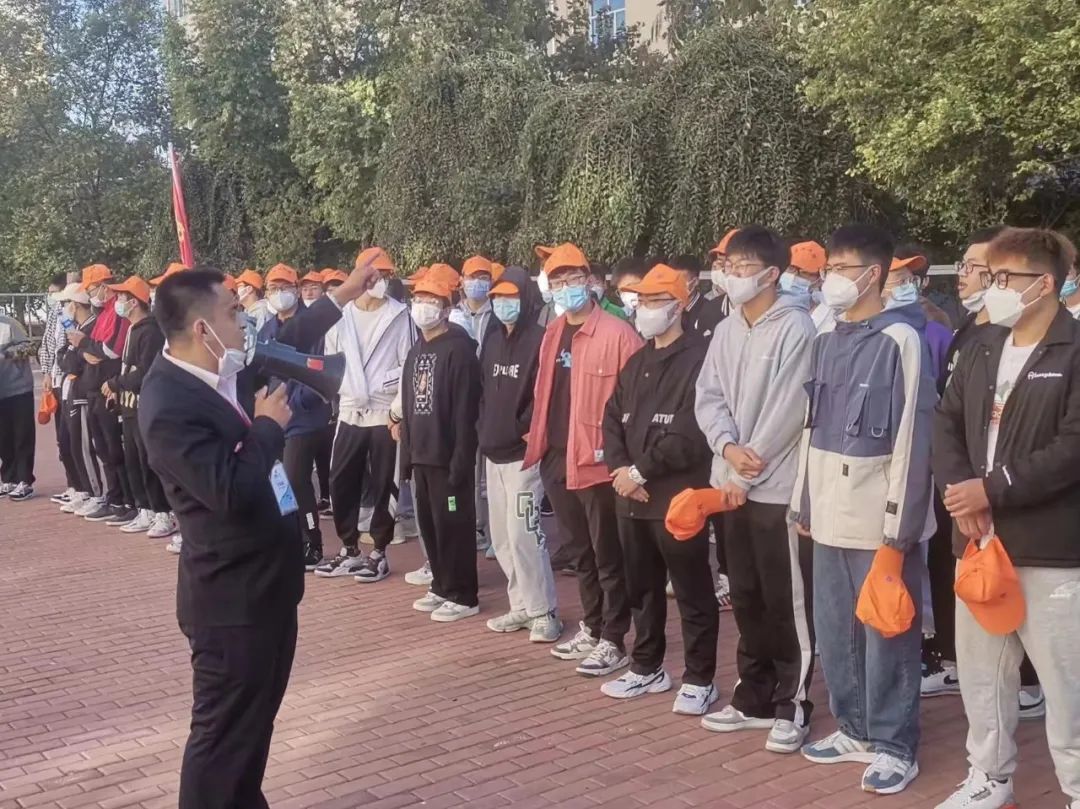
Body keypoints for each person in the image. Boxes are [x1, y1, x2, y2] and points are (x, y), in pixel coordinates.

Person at [140, 261, 376, 809]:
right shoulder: (168, 405)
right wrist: (268, 426)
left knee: (250, 734)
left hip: (269, 591)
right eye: (234, 312)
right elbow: (229, 491)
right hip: (231, 605)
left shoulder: (221, 366)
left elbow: (289, 338)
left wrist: (341, 295)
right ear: (202, 328)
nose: (245, 320)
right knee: (220, 742)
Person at [931, 227, 1080, 809]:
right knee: (983, 674)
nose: (990, 287)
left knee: (1066, 682)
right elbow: (945, 423)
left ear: (1043, 284)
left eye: (1002, 278)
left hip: (1050, 547)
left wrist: (990, 491)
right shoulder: (983, 345)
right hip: (979, 542)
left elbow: (1072, 448)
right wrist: (961, 494)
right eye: (988, 276)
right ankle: (989, 777)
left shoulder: (1074, 351)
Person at [795, 224, 934, 796]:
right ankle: (853, 728)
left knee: (888, 632)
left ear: (872, 274)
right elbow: (811, 429)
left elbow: (913, 441)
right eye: (827, 268)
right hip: (829, 513)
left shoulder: (902, 341)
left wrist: (898, 533)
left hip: (879, 520)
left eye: (840, 268)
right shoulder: (826, 337)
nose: (829, 278)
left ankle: (895, 745)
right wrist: (803, 500)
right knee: (836, 630)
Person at [695, 226, 817, 751]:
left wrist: (746, 472)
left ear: (771, 274)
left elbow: (790, 410)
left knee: (784, 598)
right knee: (744, 594)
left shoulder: (797, 327)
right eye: (729, 266)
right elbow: (708, 396)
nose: (732, 275)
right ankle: (754, 697)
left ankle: (794, 703)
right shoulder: (726, 329)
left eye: (743, 267)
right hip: (729, 484)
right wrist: (725, 448)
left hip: (774, 489)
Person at [600, 263, 719, 714]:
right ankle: (646, 666)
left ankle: (700, 677)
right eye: (642, 300)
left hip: (677, 498)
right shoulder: (637, 362)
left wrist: (640, 473)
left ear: (679, 305)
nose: (645, 309)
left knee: (692, 591)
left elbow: (690, 433)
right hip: (631, 499)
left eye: (656, 301)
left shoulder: (700, 359)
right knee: (642, 589)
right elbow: (612, 419)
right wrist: (621, 471)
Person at [523, 243, 643, 676]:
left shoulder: (618, 335)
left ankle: (614, 638)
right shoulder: (553, 332)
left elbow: (635, 404)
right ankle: (592, 627)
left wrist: (626, 463)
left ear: (590, 281)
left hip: (599, 462)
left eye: (573, 279)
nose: (565, 288)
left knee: (608, 554)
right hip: (558, 455)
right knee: (580, 552)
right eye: (557, 281)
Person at [920, 226, 1006, 701]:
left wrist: (981, 487)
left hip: (990, 489)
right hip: (954, 485)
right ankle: (954, 659)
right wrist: (953, 479)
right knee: (950, 572)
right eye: (963, 264)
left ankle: (1025, 681)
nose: (963, 274)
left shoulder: (1012, 337)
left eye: (974, 267)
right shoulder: (966, 329)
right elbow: (946, 412)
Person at [317, 247, 413, 580]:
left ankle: (379, 551)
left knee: (386, 482)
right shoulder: (340, 316)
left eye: (385, 275)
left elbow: (407, 364)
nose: (380, 280)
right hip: (349, 410)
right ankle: (349, 548)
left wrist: (398, 411)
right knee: (340, 479)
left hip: (385, 413)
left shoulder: (400, 316)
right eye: (374, 274)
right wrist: (345, 390)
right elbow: (330, 363)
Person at [479, 268, 562, 643]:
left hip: (524, 456)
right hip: (492, 451)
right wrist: (483, 428)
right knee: (501, 537)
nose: (503, 304)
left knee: (524, 533)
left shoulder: (540, 341)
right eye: (497, 297)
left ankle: (544, 611)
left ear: (526, 299)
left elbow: (545, 393)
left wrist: (527, 428)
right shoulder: (492, 339)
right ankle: (521, 606)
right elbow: (483, 390)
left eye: (510, 297)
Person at [399, 270, 483, 622]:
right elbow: (408, 405)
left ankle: (463, 593)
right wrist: (407, 455)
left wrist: (461, 459)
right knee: (431, 525)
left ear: (446, 309)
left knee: (454, 525)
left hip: (449, 457)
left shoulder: (459, 350)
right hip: (421, 455)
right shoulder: (417, 349)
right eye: (419, 299)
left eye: (432, 301)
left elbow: (466, 411)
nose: (423, 307)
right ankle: (441, 584)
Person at [260, 263, 332, 573]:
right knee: (278, 480)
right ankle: (291, 537)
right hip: (274, 419)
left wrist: (295, 400)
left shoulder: (311, 325)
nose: (280, 294)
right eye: (274, 289)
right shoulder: (267, 328)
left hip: (305, 418)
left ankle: (312, 542)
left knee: (296, 479)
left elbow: (319, 369)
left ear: (296, 289)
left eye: (285, 287)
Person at [102, 276, 175, 538]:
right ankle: (146, 509)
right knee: (133, 460)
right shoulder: (133, 329)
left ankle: (163, 512)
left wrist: (116, 383)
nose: (118, 301)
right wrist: (118, 390)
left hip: (145, 405)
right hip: (129, 406)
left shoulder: (151, 331)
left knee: (148, 461)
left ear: (134, 302)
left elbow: (145, 371)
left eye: (122, 297)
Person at [67, 264, 132, 523]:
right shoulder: (103, 312)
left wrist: (84, 344)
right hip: (94, 388)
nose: (91, 295)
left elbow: (109, 351)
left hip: (109, 388)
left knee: (115, 449)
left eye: (92, 289)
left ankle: (128, 501)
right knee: (104, 450)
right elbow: (90, 352)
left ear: (105, 286)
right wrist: (86, 348)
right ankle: (115, 498)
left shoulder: (117, 312)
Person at [55, 283, 104, 515]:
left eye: (66, 303)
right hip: (70, 390)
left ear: (75, 305)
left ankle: (95, 493)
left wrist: (76, 353)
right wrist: (73, 354)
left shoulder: (92, 327)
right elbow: (62, 358)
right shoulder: (75, 329)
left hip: (82, 393)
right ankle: (83, 490)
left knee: (83, 446)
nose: (64, 308)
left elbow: (75, 363)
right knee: (71, 444)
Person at [40, 274, 83, 504]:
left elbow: (72, 345)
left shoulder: (71, 316)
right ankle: (72, 485)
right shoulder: (54, 314)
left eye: (54, 294)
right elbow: (47, 345)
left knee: (73, 438)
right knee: (62, 439)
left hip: (71, 380)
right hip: (57, 382)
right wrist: (47, 372)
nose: (51, 298)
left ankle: (83, 488)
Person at [884, 252, 953, 383]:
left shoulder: (937, 333)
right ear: (878, 288)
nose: (910, 287)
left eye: (912, 280)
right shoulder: (863, 334)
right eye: (902, 281)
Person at [0, 310, 36, 501]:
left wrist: (6, 354)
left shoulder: (9, 324)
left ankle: (24, 480)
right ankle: (9, 479)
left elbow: (30, 347)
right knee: (3, 437)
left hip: (19, 389)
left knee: (23, 435)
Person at [781, 241, 832, 333]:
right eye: (790, 269)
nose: (793, 276)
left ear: (820, 278)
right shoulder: (767, 302)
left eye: (804, 273)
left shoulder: (829, 311)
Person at [672, 255, 725, 340]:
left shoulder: (709, 310)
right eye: (673, 280)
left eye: (681, 280)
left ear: (695, 282)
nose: (676, 285)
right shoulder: (670, 308)